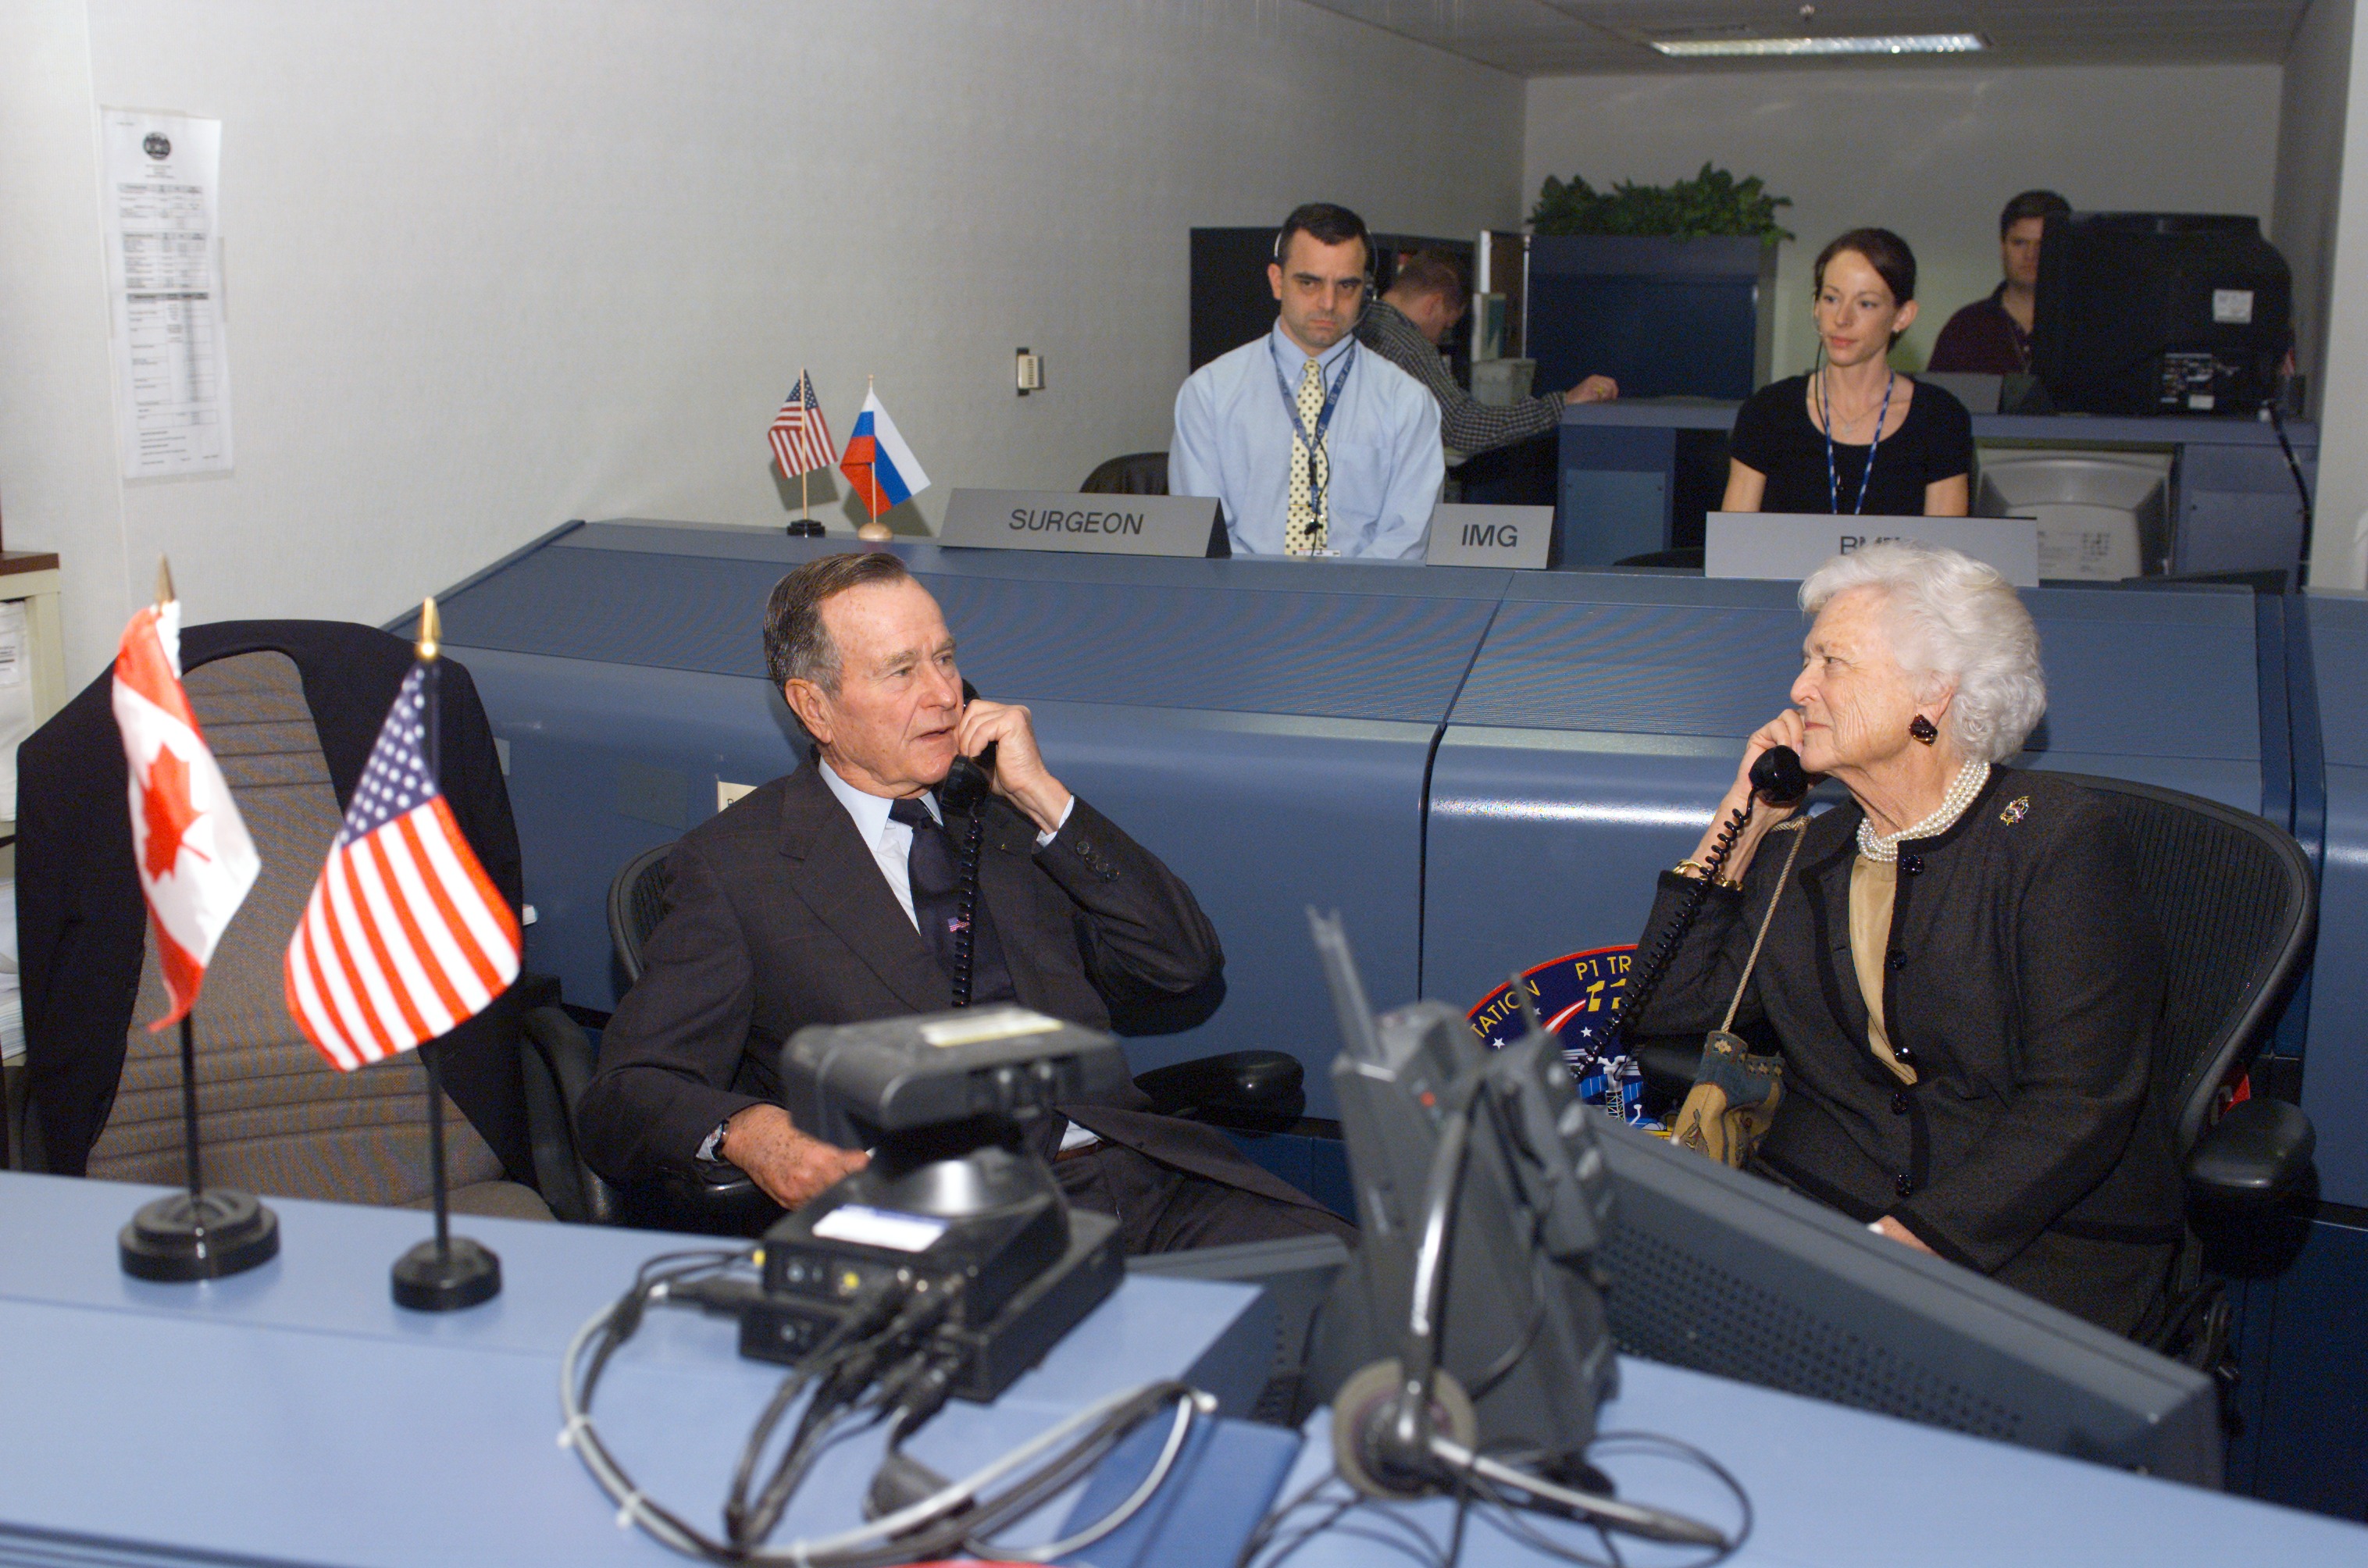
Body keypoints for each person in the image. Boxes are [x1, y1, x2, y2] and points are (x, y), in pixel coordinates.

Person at [576, 552, 1353, 1253]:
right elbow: (627, 1092)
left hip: (1142, 1183)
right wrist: (747, 1132)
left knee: (1368, 1296)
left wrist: (1044, 797)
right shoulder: (735, 868)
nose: (945, 695)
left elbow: (1182, 964)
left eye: (946, 659)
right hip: (953, 1228)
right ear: (814, 707)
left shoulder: (1006, 817)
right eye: (901, 671)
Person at [1624, 541, 2181, 1334]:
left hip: (2033, 1235)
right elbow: (1665, 1008)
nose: (1797, 687)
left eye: (1832, 662)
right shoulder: (1804, 857)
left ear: (1934, 694)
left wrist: (1903, 1246)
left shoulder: (2056, 843)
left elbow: (2078, 1102)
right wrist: (1740, 822)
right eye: (1804, 659)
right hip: (1825, 1202)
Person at [1170, 202, 1444, 558]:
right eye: (1309, 282)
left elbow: (1408, 539)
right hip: (1242, 604)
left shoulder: (1407, 402)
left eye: (1347, 285)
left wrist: (1336, 605)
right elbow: (1204, 537)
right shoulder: (1209, 394)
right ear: (1277, 281)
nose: (1328, 303)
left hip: (1361, 607)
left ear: (1367, 291)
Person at [1722, 228, 1973, 519]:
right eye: (1831, 299)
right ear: (1815, 306)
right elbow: (1734, 546)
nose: (1842, 319)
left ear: (1902, 316)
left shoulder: (1940, 419)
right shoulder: (1768, 412)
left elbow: (1945, 557)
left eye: (1865, 303)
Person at [1357, 250, 1617, 460]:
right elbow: (1463, 427)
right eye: (1445, 325)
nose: (1437, 340)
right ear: (1433, 304)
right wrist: (1562, 405)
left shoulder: (1355, 327)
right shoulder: (1410, 346)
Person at [1928, 190, 2072, 376]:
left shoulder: (2090, 326)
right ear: (2003, 247)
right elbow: (1939, 402)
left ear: (2065, 247)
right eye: (2020, 243)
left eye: (2043, 244)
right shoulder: (1965, 329)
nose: (2030, 255)